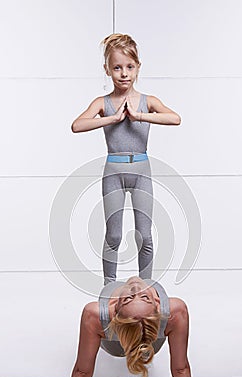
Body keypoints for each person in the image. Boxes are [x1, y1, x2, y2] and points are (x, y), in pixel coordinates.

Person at [71, 34, 181, 285]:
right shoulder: (103, 102)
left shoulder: (148, 101)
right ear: (107, 70)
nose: (123, 73)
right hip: (113, 172)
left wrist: (140, 115)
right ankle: (108, 287)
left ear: (138, 67)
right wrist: (112, 119)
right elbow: (77, 125)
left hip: (142, 171)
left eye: (129, 67)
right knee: (114, 235)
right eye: (117, 67)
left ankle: (146, 288)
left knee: (145, 235)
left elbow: (175, 118)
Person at [57, 277, 197, 377]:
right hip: (127, 344)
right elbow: (181, 369)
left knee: (128, 280)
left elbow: (82, 372)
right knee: (145, 278)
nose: (136, 289)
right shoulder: (176, 310)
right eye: (133, 297)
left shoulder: (95, 313)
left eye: (142, 296)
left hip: (146, 343)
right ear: (156, 302)